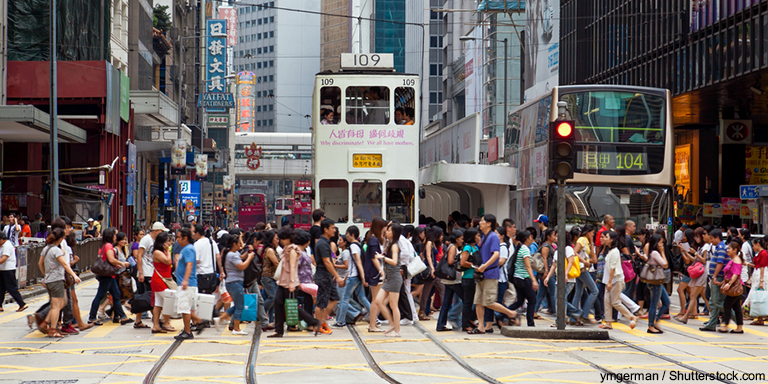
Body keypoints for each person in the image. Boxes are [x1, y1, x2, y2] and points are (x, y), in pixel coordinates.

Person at [268, 229, 322, 337]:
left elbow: (293, 266)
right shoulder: (287, 248)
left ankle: (314, 322)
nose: (281, 241)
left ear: (289, 238)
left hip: (289, 282)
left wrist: (292, 282)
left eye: (283, 238)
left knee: (291, 306)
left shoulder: (293, 250)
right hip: (283, 281)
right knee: (278, 303)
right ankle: (279, 330)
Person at [38, 228, 81, 337]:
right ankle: (52, 330)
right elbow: (65, 264)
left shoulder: (46, 249)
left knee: (63, 302)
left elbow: (40, 263)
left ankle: (45, 323)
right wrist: (74, 276)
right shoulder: (56, 250)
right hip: (56, 280)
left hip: (49, 280)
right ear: (61, 239)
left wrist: (45, 275)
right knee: (56, 306)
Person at [87, 228, 131, 326]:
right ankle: (92, 317)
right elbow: (111, 260)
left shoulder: (104, 245)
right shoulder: (108, 246)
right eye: (115, 235)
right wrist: (122, 263)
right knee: (100, 296)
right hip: (107, 275)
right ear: (110, 236)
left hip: (109, 274)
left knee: (116, 295)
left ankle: (123, 317)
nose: (116, 237)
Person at [368, 222, 403, 337]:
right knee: (378, 301)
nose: (386, 232)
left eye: (389, 230)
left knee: (394, 305)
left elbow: (394, 261)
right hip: (390, 279)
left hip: (394, 279)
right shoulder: (389, 244)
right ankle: (392, 323)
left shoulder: (394, 246)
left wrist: (382, 257)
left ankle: (396, 330)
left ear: (395, 233)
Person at [218, 232, 256, 335]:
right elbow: (242, 266)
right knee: (240, 306)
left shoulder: (233, 253)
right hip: (234, 283)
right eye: (239, 243)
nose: (240, 245)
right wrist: (250, 257)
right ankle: (236, 328)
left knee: (239, 305)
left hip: (234, 282)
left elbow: (241, 257)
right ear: (234, 244)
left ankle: (223, 317)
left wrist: (248, 252)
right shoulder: (232, 255)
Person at [598, 231, 638, 330]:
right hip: (609, 280)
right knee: (606, 301)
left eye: (606, 237)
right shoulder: (610, 251)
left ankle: (632, 316)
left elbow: (613, 268)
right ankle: (608, 322)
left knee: (615, 302)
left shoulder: (615, 251)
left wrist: (610, 282)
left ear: (612, 239)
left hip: (615, 280)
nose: (605, 238)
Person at [335, 226, 371, 327]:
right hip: (356, 276)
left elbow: (358, 263)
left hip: (354, 277)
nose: (346, 236)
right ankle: (374, 318)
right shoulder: (358, 245)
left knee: (344, 299)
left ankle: (340, 321)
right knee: (362, 298)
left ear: (352, 235)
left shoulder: (353, 247)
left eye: (347, 234)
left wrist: (363, 277)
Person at [313, 218, 344, 334]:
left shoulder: (325, 243)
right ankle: (318, 325)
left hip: (327, 276)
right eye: (332, 228)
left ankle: (322, 321)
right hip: (323, 276)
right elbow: (327, 262)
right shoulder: (322, 243)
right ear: (325, 229)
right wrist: (337, 275)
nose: (335, 230)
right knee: (321, 302)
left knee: (334, 298)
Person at [136, 222, 169, 325]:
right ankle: (158, 320)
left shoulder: (155, 241)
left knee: (145, 298)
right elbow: (139, 255)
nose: (163, 233)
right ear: (156, 231)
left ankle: (138, 321)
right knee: (151, 298)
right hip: (146, 273)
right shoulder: (146, 240)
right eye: (161, 231)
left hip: (152, 272)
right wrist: (141, 272)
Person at [174, 228, 204, 340]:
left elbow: (190, 264)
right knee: (186, 308)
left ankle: (187, 331)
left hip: (187, 284)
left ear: (185, 238)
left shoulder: (188, 249)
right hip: (185, 283)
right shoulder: (185, 249)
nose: (177, 239)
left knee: (184, 308)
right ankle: (199, 322)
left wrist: (185, 280)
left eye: (178, 237)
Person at [507, 230, 537, 327]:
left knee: (520, 301)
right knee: (532, 300)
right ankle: (530, 323)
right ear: (527, 239)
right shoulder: (525, 249)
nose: (532, 238)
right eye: (530, 237)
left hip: (517, 278)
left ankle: (501, 314)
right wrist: (533, 280)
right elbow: (528, 267)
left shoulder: (520, 248)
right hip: (523, 278)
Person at [641, 234, 669, 334]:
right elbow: (665, 265)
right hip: (655, 282)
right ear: (656, 243)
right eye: (661, 242)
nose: (662, 244)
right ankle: (651, 326)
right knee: (654, 304)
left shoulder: (652, 252)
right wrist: (662, 252)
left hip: (657, 281)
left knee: (666, 302)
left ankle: (655, 321)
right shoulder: (655, 253)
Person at [437, 229, 464, 331]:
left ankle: (440, 325)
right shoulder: (453, 247)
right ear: (456, 239)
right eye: (461, 238)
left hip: (450, 280)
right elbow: (450, 261)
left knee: (446, 303)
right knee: (466, 300)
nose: (463, 240)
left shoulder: (453, 247)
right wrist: (461, 261)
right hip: (453, 280)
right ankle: (462, 320)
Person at [701, 229, 728, 332]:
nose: (711, 240)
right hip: (716, 277)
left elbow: (720, 263)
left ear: (717, 237)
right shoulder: (718, 247)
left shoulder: (721, 248)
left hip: (718, 278)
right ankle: (711, 324)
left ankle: (735, 317)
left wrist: (714, 276)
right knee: (712, 302)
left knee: (717, 301)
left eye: (712, 238)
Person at [572, 225, 599, 324]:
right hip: (581, 268)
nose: (593, 234)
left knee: (578, 293)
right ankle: (585, 314)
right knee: (594, 291)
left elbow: (593, 256)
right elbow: (574, 252)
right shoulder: (581, 240)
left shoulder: (587, 241)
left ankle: (573, 318)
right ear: (588, 232)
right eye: (592, 233)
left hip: (582, 268)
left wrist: (591, 242)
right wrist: (584, 261)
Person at [149, 232, 175, 334]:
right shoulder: (157, 252)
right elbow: (168, 261)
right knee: (170, 299)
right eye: (168, 241)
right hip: (160, 281)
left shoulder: (162, 251)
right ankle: (165, 322)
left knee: (158, 303)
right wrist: (168, 251)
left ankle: (156, 325)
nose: (170, 243)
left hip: (164, 280)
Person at [718, 241, 744, 333]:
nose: (727, 250)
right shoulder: (733, 259)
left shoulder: (736, 260)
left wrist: (729, 284)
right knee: (736, 307)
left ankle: (725, 325)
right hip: (732, 286)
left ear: (735, 250)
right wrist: (722, 283)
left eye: (729, 248)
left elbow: (735, 274)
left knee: (727, 305)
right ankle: (739, 327)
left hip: (734, 287)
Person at [364, 218, 387, 318]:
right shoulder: (374, 240)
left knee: (377, 299)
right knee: (376, 299)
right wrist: (381, 271)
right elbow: (374, 258)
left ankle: (373, 321)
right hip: (375, 272)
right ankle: (373, 322)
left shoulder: (373, 238)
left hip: (375, 271)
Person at [0, 232, 27, 312]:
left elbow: (4, 258)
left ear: (2, 239)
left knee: (11, 287)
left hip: (8, 269)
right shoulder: (2, 246)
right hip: (2, 269)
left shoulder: (7, 245)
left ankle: (22, 304)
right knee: (1, 288)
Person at [460, 228, 480, 333]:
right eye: (477, 235)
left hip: (474, 278)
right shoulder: (468, 247)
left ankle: (471, 320)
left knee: (473, 301)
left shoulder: (475, 247)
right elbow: (463, 262)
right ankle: (465, 324)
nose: (479, 237)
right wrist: (474, 266)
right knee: (467, 302)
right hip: (468, 278)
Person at [535, 228, 557, 317]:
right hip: (547, 272)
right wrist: (546, 271)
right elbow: (544, 259)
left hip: (548, 272)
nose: (555, 237)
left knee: (541, 293)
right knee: (553, 292)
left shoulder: (551, 245)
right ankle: (557, 312)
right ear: (548, 236)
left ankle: (534, 310)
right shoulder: (546, 246)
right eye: (554, 235)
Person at [747, 238, 768, 325]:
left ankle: (761, 317)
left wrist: (761, 281)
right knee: (758, 296)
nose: (753, 247)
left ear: (757, 244)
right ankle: (760, 318)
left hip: (761, 276)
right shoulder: (759, 253)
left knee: (760, 295)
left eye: (753, 245)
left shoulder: (763, 253)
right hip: (757, 275)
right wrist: (748, 264)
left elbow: (762, 267)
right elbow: (757, 266)